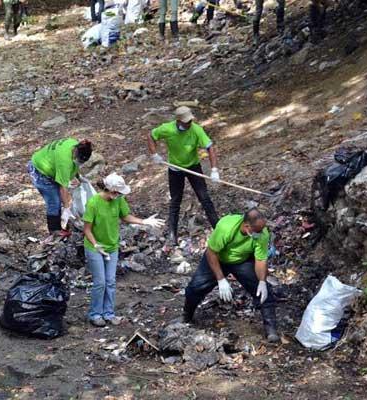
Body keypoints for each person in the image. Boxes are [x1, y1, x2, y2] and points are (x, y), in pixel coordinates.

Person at [183, 208, 279, 342]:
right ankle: (186, 316)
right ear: (246, 226)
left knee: (263, 291)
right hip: (218, 258)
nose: (260, 234)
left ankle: (271, 329)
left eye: (261, 230)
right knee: (196, 287)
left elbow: (261, 260)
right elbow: (211, 252)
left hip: (242, 260)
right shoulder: (226, 226)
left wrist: (262, 281)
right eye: (256, 231)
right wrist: (221, 279)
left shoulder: (262, 233)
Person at [84, 173, 164, 327]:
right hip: (95, 247)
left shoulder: (119, 200)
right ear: (112, 191)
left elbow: (125, 217)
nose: (120, 195)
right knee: (100, 282)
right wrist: (96, 245)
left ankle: (108, 313)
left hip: (112, 246)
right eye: (118, 192)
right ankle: (95, 314)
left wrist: (144, 221)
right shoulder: (93, 203)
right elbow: (87, 229)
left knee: (111, 281)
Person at [147, 106, 220, 246]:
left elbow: (210, 147)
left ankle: (217, 228)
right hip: (175, 169)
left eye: (190, 121)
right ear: (178, 121)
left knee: (205, 198)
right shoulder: (167, 129)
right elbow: (151, 135)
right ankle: (172, 235)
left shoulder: (196, 129)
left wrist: (214, 169)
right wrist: (154, 154)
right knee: (175, 201)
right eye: (186, 122)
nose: (189, 124)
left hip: (193, 166)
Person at [28, 138, 93, 237]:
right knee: (54, 201)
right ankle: (54, 230)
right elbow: (63, 188)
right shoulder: (64, 161)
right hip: (39, 171)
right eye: (79, 160)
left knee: (61, 199)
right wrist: (67, 207)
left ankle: (62, 223)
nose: (80, 163)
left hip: (50, 164)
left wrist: (79, 177)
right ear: (76, 152)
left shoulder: (76, 144)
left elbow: (74, 166)